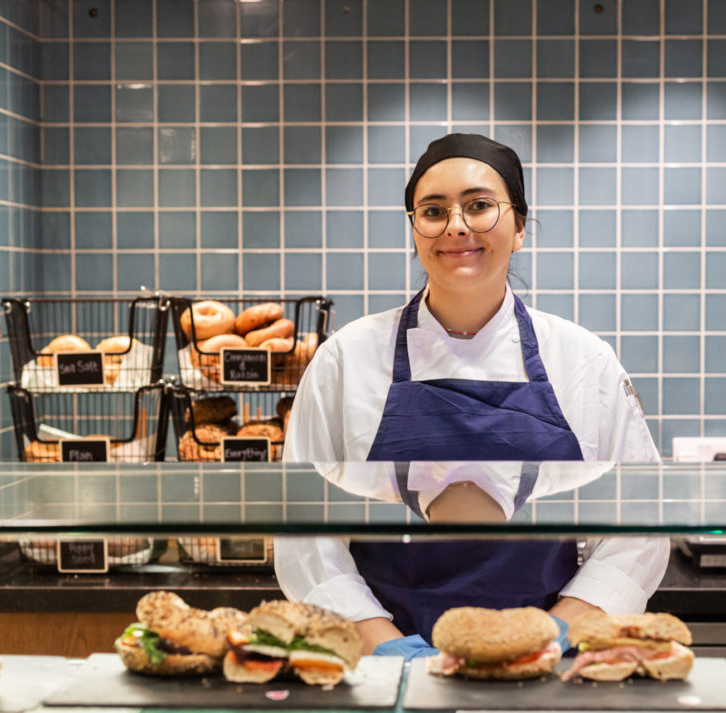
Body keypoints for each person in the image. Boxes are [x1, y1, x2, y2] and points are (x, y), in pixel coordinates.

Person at [275, 133, 668, 659]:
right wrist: (384, 649)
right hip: (383, 665)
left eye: (480, 205)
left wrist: (549, 639)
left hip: (547, 669)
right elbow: (302, 529)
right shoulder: (346, 359)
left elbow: (639, 526)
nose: (456, 226)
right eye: (433, 210)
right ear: (415, 230)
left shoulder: (583, 361)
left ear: (520, 227)